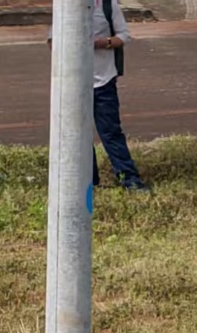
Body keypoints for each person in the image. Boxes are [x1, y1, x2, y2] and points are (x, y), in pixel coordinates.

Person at [48, 0, 150, 191]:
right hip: (74, 84)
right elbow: (52, 40)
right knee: (80, 135)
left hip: (103, 81)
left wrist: (102, 43)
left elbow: (124, 36)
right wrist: (69, 44)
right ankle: (89, 181)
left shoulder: (108, 5)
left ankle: (129, 180)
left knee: (111, 133)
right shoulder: (66, 6)